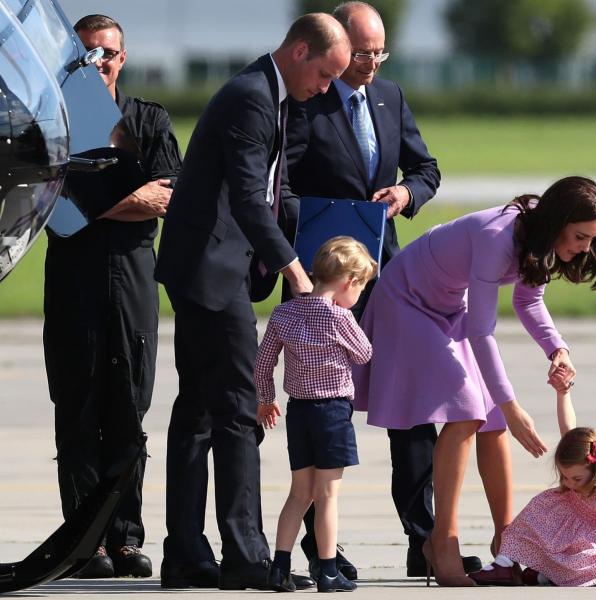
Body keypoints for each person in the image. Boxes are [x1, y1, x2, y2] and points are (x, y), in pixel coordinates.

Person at [153, 14, 350, 591]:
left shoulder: (274, 93)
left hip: (208, 264)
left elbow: (275, 188)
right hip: (212, 268)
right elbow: (245, 194)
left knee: (196, 411)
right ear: (297, 51)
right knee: (239, 408)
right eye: (324, 73)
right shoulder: (251, 97)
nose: (326, 86)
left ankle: (186, 555)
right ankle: (244, 556)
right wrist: (293, 269)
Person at [352, 175, 596, 586]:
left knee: (490, 418)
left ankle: (508, 543)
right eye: (581, 237)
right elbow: (481, 331)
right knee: (468, 412)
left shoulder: (539, 238)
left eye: (591, 241)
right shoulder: (499, 237)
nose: (585, 248)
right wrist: (511, 404)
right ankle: (443, 540)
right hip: (406, 301)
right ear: (559, 221)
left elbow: (529, 300)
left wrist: (557, 350)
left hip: (447, 308)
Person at [283, 1, 451, 579]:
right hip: (321, 283)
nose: (371, 64)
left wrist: (407, 195)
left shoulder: (391, 97)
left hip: (387, 277)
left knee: (411, 412)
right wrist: (325, 223)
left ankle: (423, 542)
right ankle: (320, 550)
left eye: (380, 53)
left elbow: (427, 169)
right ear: (335, 47)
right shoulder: (305, 99)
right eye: (361, 54)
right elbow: (279, 189)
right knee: (322, 409)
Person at [42, 13, 181, 580]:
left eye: (108, 52)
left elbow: (168, 194)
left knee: (130, 407)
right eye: (88, 53)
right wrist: (123, 198)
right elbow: (54, 212)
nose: (100, 61)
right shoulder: (50, 126)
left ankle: (124, 539)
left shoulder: (148, 119)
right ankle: (84, 543)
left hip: (132, 277)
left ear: (123, 58)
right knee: (77, 408)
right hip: (72, 279)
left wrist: (90, 206)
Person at [254, 236, 376, 593]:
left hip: (299, 412)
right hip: (333, 412)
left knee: (299, 494)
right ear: (348, 282)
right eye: (361, 287)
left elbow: (263, 363)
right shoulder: (340, 317)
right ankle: (327, 569)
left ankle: (279, 567)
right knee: (327, 495)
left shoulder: (284, 312)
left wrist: (266, 398)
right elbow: (364, 354)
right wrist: (347, 321)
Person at [469, 426, 596, 587]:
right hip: (564, 522)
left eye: (576, 478)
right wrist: (562, 395)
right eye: (565, 477)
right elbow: (566, 423)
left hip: (590, 544)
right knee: (533, 515)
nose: (570, 483)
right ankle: (504, 564)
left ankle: (545, 575)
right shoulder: (569, 485)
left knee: (591, 566)